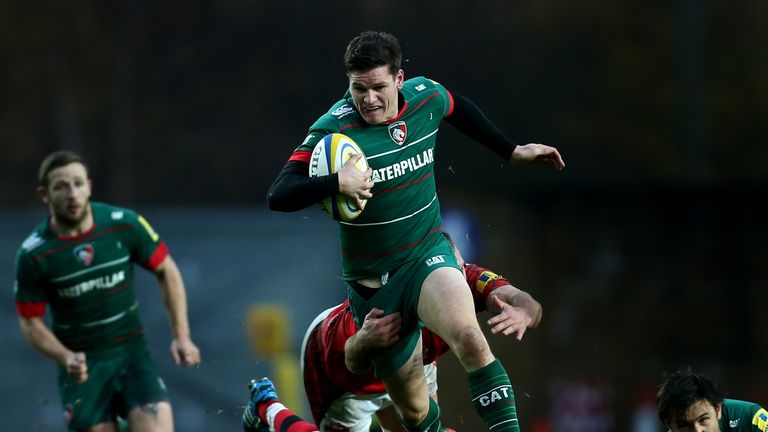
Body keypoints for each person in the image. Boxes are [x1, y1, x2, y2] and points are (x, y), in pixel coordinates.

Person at [267, 30, 563, 432]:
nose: (368, 99)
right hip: (374, 288)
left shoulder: (426, 96)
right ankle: (269, 411)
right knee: (415, 415)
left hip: (426, 256)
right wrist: (337, 182)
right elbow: (279, 194)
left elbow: (458, 108)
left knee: (471, 340)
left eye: (378, 87)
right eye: (358, 89)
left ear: (400, 79)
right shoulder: (333, 128)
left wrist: (511, 151)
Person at [243, 233, 542, 431]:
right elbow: (352, 359)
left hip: (416, 368)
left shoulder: (462, 279)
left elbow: (524, 300)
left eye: (456, 271)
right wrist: (363, 342)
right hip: (345, 375)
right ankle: (266, 408)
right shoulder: (383, 310)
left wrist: (526, 310)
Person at [14, 150, 201, 432]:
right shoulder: (34, 255)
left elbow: (167, 270)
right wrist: (65, 356)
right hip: (82, 368)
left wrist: (182, 336)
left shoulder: (123, 223)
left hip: (131, 353)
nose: (72, 193)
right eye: (61, 186)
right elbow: (30, 322)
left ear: (89, 186)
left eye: (78, 183)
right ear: (45, 194)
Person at [656, 370, 768, 432]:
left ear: (718, 409)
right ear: (669, 425)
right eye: (684, 425)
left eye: (703, 419)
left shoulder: (750, 417)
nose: (697, 431)